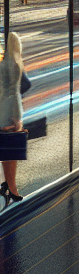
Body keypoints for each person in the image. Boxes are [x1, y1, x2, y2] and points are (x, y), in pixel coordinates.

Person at [0, 33, 26, 204]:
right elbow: (13, 92)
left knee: (6, 150)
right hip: (9, 110)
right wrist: (17, 117)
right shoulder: (14, 63)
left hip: (1, 109)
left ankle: (7, 185)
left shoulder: (2, 62)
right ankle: (12, 188)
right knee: (13, 152)